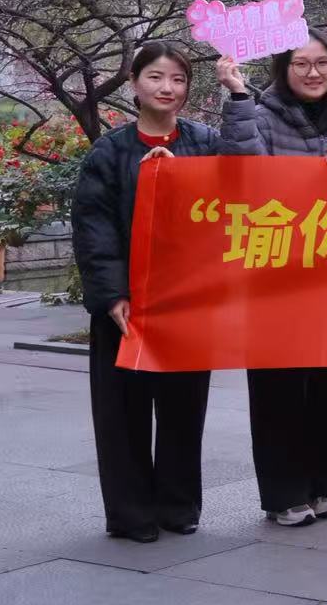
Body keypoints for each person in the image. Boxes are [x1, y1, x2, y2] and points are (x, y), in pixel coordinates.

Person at [220, 33, 327, 527]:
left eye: (322, 62)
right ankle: (284, 493)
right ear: (283, 70)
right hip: (278, 276)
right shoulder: (260, 115)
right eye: (301, 64)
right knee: (279, 387)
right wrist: (238, 98)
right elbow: (241, 174)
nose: (313, 73)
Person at [71, 41, 221, 542]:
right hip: (126, 305)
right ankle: (130, 513)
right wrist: (112, 295)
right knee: (123, 413)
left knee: (183, 410)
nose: (167, 88)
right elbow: (94, 229)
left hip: (186, 301)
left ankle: (178, 506)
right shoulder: (110, 151)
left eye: (178, 79)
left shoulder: (205, 143)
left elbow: (239, 189)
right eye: (156, 77)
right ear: (134, 83)